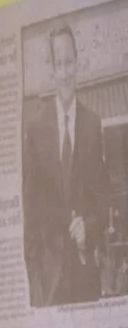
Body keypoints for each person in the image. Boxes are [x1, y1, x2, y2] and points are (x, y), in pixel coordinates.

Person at [21, 22, 110, 306]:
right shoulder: (35, 130)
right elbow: (30, 214)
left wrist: (89, 227)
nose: (65, 71)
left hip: (84, 279)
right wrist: (35, 281)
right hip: (49, 287)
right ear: (52, 71)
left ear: (77, 64)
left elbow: (102, 203)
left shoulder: (93, 125)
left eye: (69, 61)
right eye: (59, 63)